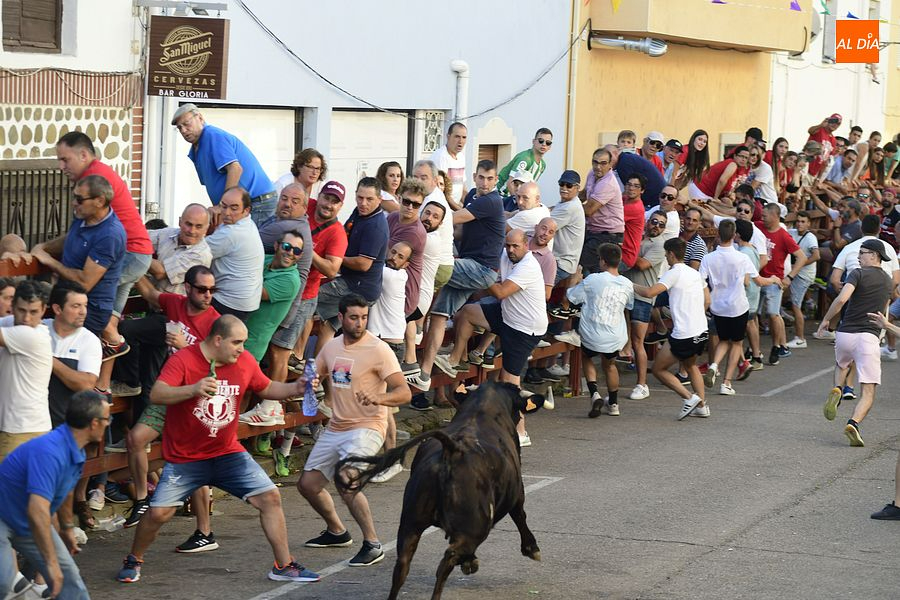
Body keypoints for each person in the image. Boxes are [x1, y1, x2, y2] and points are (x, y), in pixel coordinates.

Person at [116, 315, 321, 584]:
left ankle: (284, 565)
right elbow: (157, 394)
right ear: (217, 339)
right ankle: (134, 559)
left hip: (227, 453)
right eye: (236, 342)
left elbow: (267, 387)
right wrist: (194, 389)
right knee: (158, 513)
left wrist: (296, 386)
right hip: (185, 458)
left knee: (270, 497)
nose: (241, 348)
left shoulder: (244, 361)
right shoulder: (184, 360)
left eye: (243, 342)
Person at [298, 294, 410, 566]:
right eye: (354, 317)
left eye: (364, 317)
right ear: (341, 318)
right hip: (337, 426)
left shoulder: (379, 349)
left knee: (346, 478)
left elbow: (404, 392)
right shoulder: (332, 347)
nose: (360, 323)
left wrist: (379, 397)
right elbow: (314, 375)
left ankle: (372, 544)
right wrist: (311, 382)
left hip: (368, 426)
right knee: (308, 485)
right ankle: (337, 531)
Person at [117, 266, 221, 535]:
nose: (208, 295)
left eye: (212, 290)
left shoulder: (215, 323)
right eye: (202, 289)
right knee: (135, 439)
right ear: (188, 288)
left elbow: (219, 367)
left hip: (197, 396)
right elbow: (151, 294)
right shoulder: (175, 304)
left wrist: (186, 348)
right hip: (170, 392)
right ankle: (142, 499)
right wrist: (136, 264)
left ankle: (204, 532)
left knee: (193, 461)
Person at [431, 230, 547, 445]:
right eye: (508, 245)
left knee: (510, 382)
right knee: (467, 313)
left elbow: (500, 292)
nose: (510, 250)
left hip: (524, 329)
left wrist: (481, 276)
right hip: (507, 315)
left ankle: (521, 432)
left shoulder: (528, 266)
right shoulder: (505, 255)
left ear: (526, 245)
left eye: (515, 246)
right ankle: (457, 359)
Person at [408, 160, 505, 398]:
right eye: (481, 177)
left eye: (490, 179)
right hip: (468, 265)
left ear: (496, 181)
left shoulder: (491, 201)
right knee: (439, 314)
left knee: (430, 268)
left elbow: (450, 219)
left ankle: (416, 326)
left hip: (481, 269)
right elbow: (458, 231)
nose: (485, 183)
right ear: (475, 176)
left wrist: (418, 215)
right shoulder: (472, 196)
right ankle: (425, 374)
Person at [0, 390, 109, 600]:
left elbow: (66, 492)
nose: (108, 424)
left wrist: (67, 528)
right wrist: (50, 563)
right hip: (4, 517)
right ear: (94, 423)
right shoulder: (49, 451)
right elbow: (37, 510)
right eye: (107, 419)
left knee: (70, 581)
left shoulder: (76, 450)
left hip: (25, 522)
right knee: (4, 584)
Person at [54, 132, 153, 361]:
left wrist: (46, 257)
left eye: (65, 159)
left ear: (83, 155)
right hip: (136, 253)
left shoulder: (92, 181)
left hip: (129, 253)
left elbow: (82, 272)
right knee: (108, 322)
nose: (61, 166)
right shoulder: (96, 174)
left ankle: (102, 359)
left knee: (90, 304)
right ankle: (106, 372)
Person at [267, 181, 347, 385]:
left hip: (304, 297)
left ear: (340, 206)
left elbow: (332, 269)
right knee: (270, 349)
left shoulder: (337, 233)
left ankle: (274, 399)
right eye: (326, 198)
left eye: (334, 202)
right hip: (278, 283)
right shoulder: (305, 205)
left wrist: (305, 248)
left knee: (280, 351)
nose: (328, 204)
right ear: (318, 197)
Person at [818, 239, 893, 447]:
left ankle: (837, 388)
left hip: (845, 334)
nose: (858, 257)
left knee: (842, 364)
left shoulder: (856, 274)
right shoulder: (888, 281)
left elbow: (842, 299)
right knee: (868, 391)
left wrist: (826, 320)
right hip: (869, 337)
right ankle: (853, 423)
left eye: (862, 253)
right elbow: (885, 309)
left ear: (874, 255)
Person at [632, 238, 712, 420]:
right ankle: (702, 406)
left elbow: (649, 292)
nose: (666, 257)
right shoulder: (694, 273)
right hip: (701, 330)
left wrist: (629, 284)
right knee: (691, 366)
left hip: (684, 334)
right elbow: (707, 300)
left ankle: (689, 398)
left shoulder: (673, 273)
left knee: (659, 369)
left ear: (671, 254)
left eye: (666, 254)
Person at [699, 221, 779, 396]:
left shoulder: (708, 258)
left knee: (723, 340)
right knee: (736, 343)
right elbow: (759, 281)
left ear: (718, 234)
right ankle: (726, 382)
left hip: (718, 306)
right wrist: (773, 279)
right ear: (734, 235)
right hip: (737, 306)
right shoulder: (742, 258)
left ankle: (714, 365)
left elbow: (701, 281)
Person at [314, 177, 389, 353]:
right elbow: (342, 234)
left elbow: (363, 264)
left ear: (379, 200)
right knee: (327, 327)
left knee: (308, 300)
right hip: (352, 282)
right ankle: (318, 367)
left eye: (369, 199)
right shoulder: (360, 212)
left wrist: (334, 258)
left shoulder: (376, 226)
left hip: (357, 288)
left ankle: (297, 355)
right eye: (360, 197)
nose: (363, 203)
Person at [171, 103, 276, 225]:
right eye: (179, 128)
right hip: (242, 205)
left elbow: (235, 169)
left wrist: (222, 206)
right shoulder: (195, 150)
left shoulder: (212, 135)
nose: (183, 130)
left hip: (257, 203)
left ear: (200, 118)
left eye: (187, 124)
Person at [567, 243, 634, 418]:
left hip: (592, 334)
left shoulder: (593, 279)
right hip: (615, 336)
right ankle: (613, 404)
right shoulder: (627, 284)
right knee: (610, 365)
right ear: (619, 261)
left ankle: (594, 393)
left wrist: (575, 279)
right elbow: (628, 306)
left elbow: (572, 296)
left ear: (602, 261)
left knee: (586, 356)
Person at [0, 281, 53, 462]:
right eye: (22, 310)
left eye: (33, 312)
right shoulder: (10, 324)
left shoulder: (32, 335)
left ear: (43, 310)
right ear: (13, 306)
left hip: (21, 431)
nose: (27, 319)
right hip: (27, 428)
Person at [624, 211, 669, 400]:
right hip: (624, 294)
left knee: (637, 341)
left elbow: (642, 264)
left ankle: (642, 385)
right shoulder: (638, 238)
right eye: (654, 222)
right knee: (623, 337)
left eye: (661, 224)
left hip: (642, 298)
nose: (656, 226)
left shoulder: (659, 245)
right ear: (648, 222)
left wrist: (624, 251)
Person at [242, 231, 304, 363]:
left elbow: (251, 292)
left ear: (300, 255)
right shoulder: (266, 258)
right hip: (234, 337)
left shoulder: (291, 280)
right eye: (287, 247)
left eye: (297, 251)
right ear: (276, 246)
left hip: (249, 348)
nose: (290, 253)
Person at [756, 203, 806, 364]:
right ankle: (754, 350)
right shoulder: (758, 227)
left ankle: (776, 346)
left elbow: (802, 257)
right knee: (753, 314)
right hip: (758, 278)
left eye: (765, 215)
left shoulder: (784, 236)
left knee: (773, 314)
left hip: (774, 280)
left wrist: (789, 277)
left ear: (775, 216)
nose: (762, 218)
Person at [206, 186, 265, 320]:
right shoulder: (247, 223)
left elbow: (196, 251)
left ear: (246, 210)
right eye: (223, 206)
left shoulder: (232, 233)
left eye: (234, 208)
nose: (226, 213)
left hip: (228, 302)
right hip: (244, 301)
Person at [146, 204, 213, 294]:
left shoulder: (201, 254)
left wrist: (136, 254)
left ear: (206, 229)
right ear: (180, 222)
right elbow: (142, 237)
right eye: (189, 224)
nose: (192, 231)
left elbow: (160, 272)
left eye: (198, 226)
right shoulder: (169, 233)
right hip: (152, 298)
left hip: (176, 302)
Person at [581, 147, 624, 276]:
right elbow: (583, 195)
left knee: (583, 266)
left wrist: (565, 209)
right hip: (593, 230)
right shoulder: (592, 174)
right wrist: (566, 198)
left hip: (608, 235)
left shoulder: (608, 183)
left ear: (610, 165)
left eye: (603, 163)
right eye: (595, 162)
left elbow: (589, 210)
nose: (598, 167)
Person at [785, 211, 821, 349]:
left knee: (796, 305)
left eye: (803, 221)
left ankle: (800, 338)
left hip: (804, 275)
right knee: (788, 298)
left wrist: (800, 264)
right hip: (794, 272)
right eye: (798, 221)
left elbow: (816, 256)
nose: (799, 224)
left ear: (808, 224)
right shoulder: (792, 232)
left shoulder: (810, 238)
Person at [549, 170, 586, 288]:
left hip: (561, 263)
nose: (564, 188)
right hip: (560, 260)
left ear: (577, 188)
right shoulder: (567, 202)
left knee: (537, 291)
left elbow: (544, 226)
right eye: (562, 184)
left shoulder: (570, 207)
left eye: (569, 185)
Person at [497, 128, 552, 195]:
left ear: (550, 146)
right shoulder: (525, 159)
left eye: (548, 142)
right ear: (533, 141)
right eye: (541, 140)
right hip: (501, 194)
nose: (544, 144)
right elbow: (510, 183)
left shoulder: (542, 165)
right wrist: (516, 200)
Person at [430, 122, 467, 209]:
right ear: (448, 136)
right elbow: (441, 191)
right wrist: (460, 210)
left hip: (455, 208)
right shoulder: (440, 157)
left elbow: (463, 189)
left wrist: (472, 207)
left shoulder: (461, 157)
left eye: (464, 137)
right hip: (441, 208)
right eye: (457, 136)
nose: (460, 141)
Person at [622, 174, 648, 268]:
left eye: (636, 186)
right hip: (620, 251)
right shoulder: (625, 199)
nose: (631, 188)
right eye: (629, 184)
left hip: (625, 257)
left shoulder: (635, 207)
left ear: (642, 190)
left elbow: (611, 218)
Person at [806, 113, 842, 178]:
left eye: (838, 123)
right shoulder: (820, 129)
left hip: (815, 174)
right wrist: (820, 125)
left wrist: (818, 178)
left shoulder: (833, 140)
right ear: (829, 120)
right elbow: (810, 131)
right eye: (833, 121)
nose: (835, 124)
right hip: (806, 167)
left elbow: (825, 162)